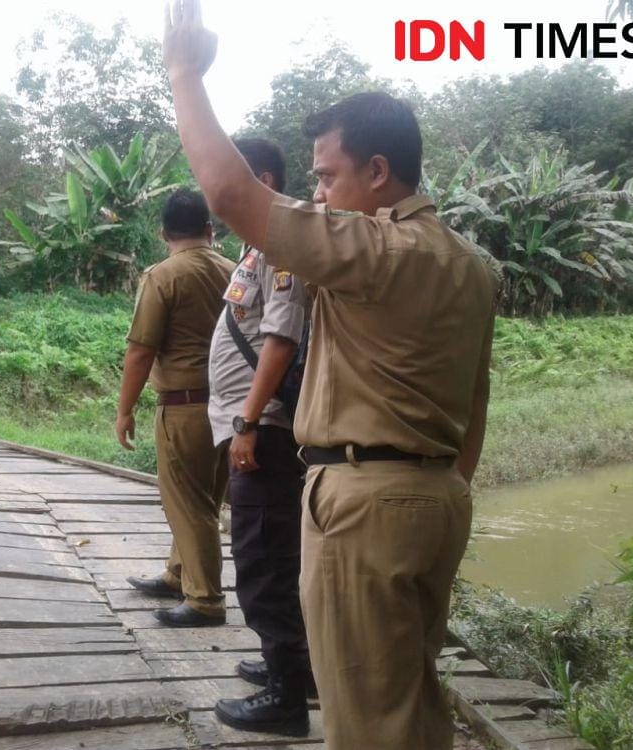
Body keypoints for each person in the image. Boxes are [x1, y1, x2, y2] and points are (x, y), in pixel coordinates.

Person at [162, 3, 502, 748]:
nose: (317, 195)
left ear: (378, 174)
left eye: (326, 177)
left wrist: (183, 73)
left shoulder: (376, 249)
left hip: (365, 504)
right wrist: (436, 485)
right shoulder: (472, 266)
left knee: (366, 721)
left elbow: (230, 195)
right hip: (438, 495)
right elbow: (476, 398)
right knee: (408, 699)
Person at [207, 137, 313, 736]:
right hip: (254, 425)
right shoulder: (256, 248)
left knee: (264, 559)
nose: (214, 197)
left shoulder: (280, 244)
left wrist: (247, 420)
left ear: (259, 177)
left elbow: (282, 334)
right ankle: (297, 670)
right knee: (274, 555)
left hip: (266, 429)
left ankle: (286, 698)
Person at [116, 188, 235, 627]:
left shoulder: (163, 276)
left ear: (163, 232)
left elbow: (141, 351)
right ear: (209, 229)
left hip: (183, 407)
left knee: (189, 503)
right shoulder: (236, 271)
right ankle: (178, 574)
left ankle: (205, 599)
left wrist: (125, 409)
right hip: (231, 408)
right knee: (205, 497)